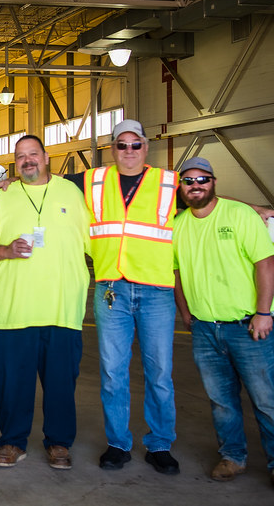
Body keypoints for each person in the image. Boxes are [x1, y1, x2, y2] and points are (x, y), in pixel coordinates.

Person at [172, 157, 274, 495]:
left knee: (266, 400)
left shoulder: (240, 215)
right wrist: (186, 314)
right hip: (204, 329)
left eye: (202, 179)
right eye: (188, 180)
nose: (195, 185)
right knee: (221, 401)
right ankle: (232, 456)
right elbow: (179, 274)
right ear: (181, 187)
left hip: (247, 326)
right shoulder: (179, 226)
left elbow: (266, 263)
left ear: (213, 181)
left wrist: (263, 312)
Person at [0, 136, 91, 470]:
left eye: (33, 154)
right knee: (11, 384)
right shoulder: (3, 196)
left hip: (62, 308)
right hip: (13, 310)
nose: (27, 161)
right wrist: (5, 250)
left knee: (61, 386)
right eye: (20, 156)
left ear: (46, 156)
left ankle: (59, 444)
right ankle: (12, 442)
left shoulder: (71, 193)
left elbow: (96, 239)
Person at [77, 119, 181, 474]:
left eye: (135, 145)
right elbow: (49, 185)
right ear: (112, 148)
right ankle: (118, 443)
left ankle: (160, 444)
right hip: (111, 289)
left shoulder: (168, 182)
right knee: (112, 371)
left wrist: (255, 209)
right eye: (122, 145)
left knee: (159, 372)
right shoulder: (93, 180)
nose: (129, 151)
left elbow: (207, 198)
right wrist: (10, 180)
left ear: (146, 148)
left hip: (155, 290)